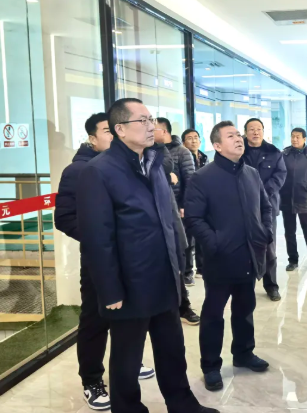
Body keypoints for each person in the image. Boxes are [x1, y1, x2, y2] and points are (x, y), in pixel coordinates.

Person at [76, 98, 216, 413]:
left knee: (172, 350)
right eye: (143, 120)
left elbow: (169, 218)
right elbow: (97, 238)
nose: (151, 126)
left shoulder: (154, 162)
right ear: (120, 129)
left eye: (151, 119)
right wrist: (110, 290)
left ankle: (183, 404)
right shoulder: (97, 171)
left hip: (163, 275)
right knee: (127, 358)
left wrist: (179, 264)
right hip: (129, 282)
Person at [54, 113, 156, 410]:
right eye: (107, 131)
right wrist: (103, 237)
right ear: (92, 138)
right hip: (100, 259)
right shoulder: (78, 170)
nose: (114, 136)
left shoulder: (129, 165)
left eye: (115, 130)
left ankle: (129, 363)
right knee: (95, 320)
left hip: (134, 259)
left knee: (131, 315)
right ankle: (92, 380)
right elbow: (64, 218)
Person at [184, 121, 273, 392]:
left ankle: (244, 353)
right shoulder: (203, 177)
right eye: (231, 136)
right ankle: (211, 365)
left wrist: (265, 232)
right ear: (217, 145)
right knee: (214, 313)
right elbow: (194, 218)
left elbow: (266, 207)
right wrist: (216, 243)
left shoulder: (251, 173)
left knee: (245, 309)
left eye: (238, 134)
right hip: (220, 259)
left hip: (249, 255)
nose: (238, 138)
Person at [242, 118, 287, 301]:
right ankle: (246, 285)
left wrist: (262, 193)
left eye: (258, 129)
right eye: (251, 129)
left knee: (269, 246)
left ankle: (271, 285)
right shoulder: (238, 151)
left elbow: (280, 175)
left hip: (267, 206)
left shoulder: (274, 152)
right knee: (244, 246)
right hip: (243, 206)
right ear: (245, 132)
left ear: (263, 131)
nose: (255, 132)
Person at [155, 117, 196, 285]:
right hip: (164, 204)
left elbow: (190, 180)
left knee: (185, 239)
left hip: (179, 203)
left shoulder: (182, 151)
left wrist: (184, 204)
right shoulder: (154, 150)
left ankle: (187, 272)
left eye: (153, 128)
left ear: (164, 131)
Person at [281, 128, 307, 272]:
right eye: (292, 136)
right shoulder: (284, 154)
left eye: (298, 137)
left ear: (304, 139)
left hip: (304, 199)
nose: (294, 139)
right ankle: (292, 260)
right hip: (287, 199)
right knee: (289, 232)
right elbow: (279, 173)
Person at [181, 128, 209, 279]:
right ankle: (188, 270)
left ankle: (202, 267)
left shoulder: (204, 157)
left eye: (196, 137)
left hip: (203, 202)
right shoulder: (183, 157)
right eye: (189, 138)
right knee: (188, 238)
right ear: (183, 142)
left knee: (202, 235)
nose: (193, 141)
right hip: (188, 203)